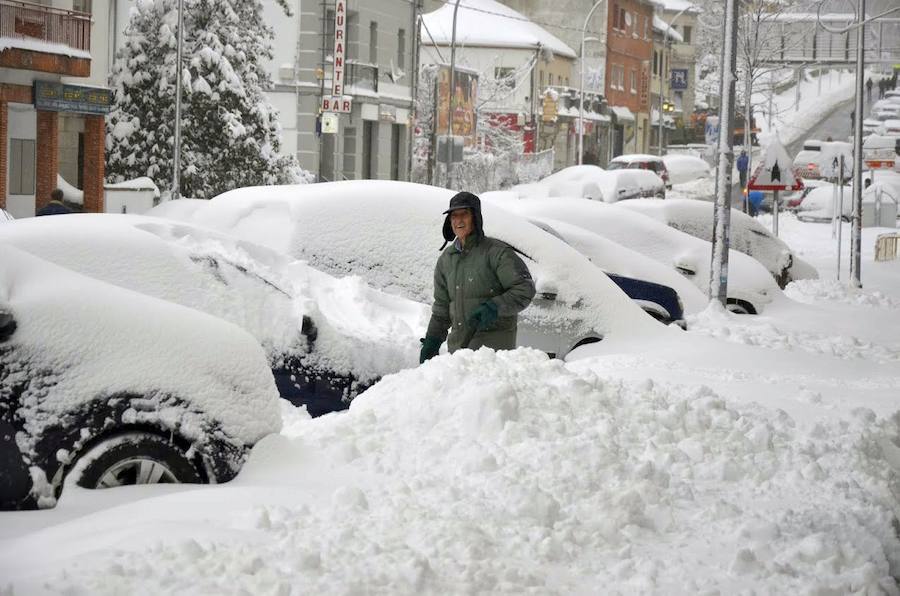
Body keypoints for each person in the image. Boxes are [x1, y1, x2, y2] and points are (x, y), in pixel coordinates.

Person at [419, 192, 536, 363]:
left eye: (464, 214)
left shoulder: (497, 252)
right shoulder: (446, 259)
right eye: (454, 216)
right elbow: (442, 309)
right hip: (459, 355)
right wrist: (432, 340)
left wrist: (495, 307)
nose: (458, 220)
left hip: (493, 356)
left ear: (475, 217)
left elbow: (525, 288)